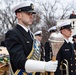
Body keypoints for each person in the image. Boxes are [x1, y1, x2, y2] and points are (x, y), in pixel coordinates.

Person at [4, 1, 58, 75]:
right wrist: (44, 66)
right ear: (19, 15)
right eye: (28, 13)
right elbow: (19, 61)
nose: (31, 16)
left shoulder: (31, 35)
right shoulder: (13, 34)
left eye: (32, 14)